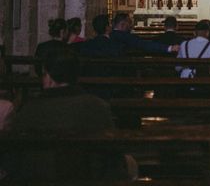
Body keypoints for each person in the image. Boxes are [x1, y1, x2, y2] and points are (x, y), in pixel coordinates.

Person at [9, 48, 127, 181]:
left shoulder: (29, 110)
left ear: (49, 78)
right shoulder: (98, 106)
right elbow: (113, 155)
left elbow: (14, 157)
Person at [110, 12, 179, 55]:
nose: (131, 25)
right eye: (129, 22)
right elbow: (144, 45)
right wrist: (169, 48)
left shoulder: (109, 35)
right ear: (122, 24)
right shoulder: (127, 37)